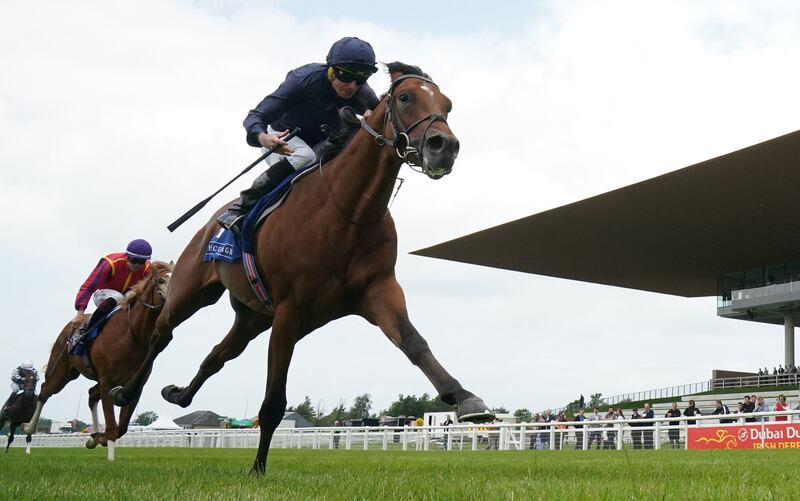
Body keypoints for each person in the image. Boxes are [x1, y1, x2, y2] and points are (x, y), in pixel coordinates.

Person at [217, 37, 381, 230]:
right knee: (305, 155)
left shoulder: (361, 91)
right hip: (283, 139)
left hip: (325, 144)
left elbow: (382, 117)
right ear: (332, 69)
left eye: (361, 79)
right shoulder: (302, 80)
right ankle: (240, 208)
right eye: (346, 76)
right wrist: (263, 138)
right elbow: (256, 116)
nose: (352, 86)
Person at [71, 239, 153, 343]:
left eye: (140, 262)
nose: (136, 265)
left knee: (134, 295)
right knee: (118, 297)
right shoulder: (111, 263)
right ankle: (85, 331)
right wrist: (80, 313)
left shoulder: (147, 268)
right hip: (102, 294)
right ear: (127, 256)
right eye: (133, 260)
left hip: (125, 297)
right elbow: (89, 286)